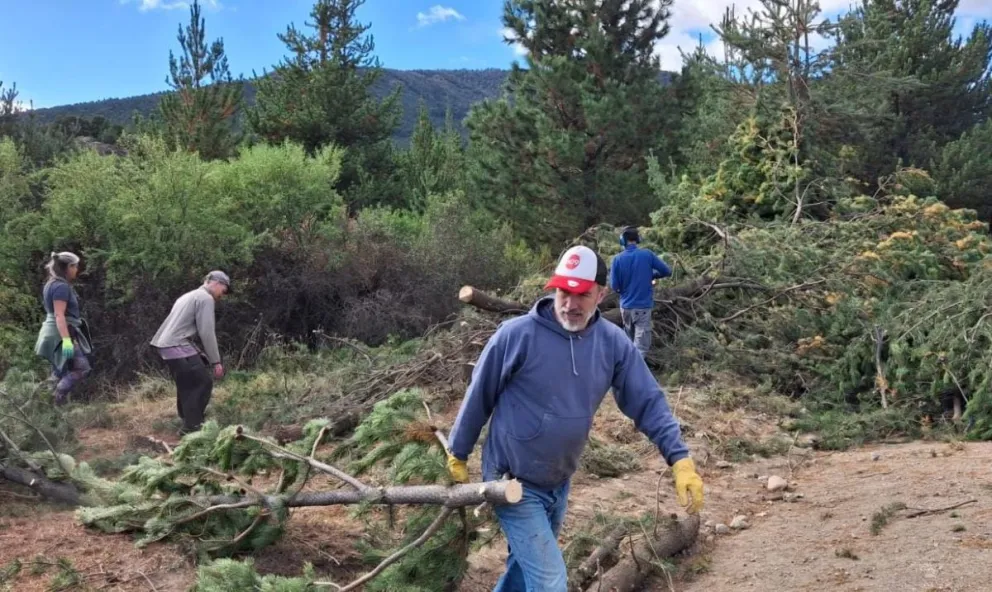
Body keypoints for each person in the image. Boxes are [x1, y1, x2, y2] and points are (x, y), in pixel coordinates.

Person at [445, 245, 703, 592]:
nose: (570, 303)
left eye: (582, 294)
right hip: (512, 480)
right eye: (564, 291)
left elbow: (648, 401)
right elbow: (480, 395)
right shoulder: (516, 336)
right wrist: (458, 452)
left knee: (524, 571)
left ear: (602, 292)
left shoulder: (612, 344)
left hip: (559, 480)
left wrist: (680, 459)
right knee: (550, 581)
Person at [150, 271, 230, 436]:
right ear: (217, 283)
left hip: (166, 346)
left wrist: (198, 352)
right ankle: (192, 427)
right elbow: (206, 332)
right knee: (202, 383)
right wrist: (216, 361)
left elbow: (180, 327)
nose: (223, 295)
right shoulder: (205, 299)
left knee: (186, 384)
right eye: (224, 290)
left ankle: (188, 420)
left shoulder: (188, 296)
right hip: (176, 345)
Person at [34, 251, 93, 406]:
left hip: (52, 332)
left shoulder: (51, 283)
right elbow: (59, 315)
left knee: (59, 372)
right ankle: (54, 400)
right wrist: (67, 340)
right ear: (67, 267)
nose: (76, 270)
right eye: (74, 266)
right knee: (82, 369)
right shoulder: (61, 287)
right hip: (60, 334)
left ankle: (42, 406)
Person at [609, 225, 672, 356]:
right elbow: (667, 271)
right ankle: (632, 375)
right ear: (638, 239)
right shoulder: (647, 254)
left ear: (622, 241)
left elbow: (614, 286)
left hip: (626, 308)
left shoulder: (617, 259)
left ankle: (628, 373)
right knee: (641, 349)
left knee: (630, 346)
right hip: (643, 307)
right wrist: (651, 275)